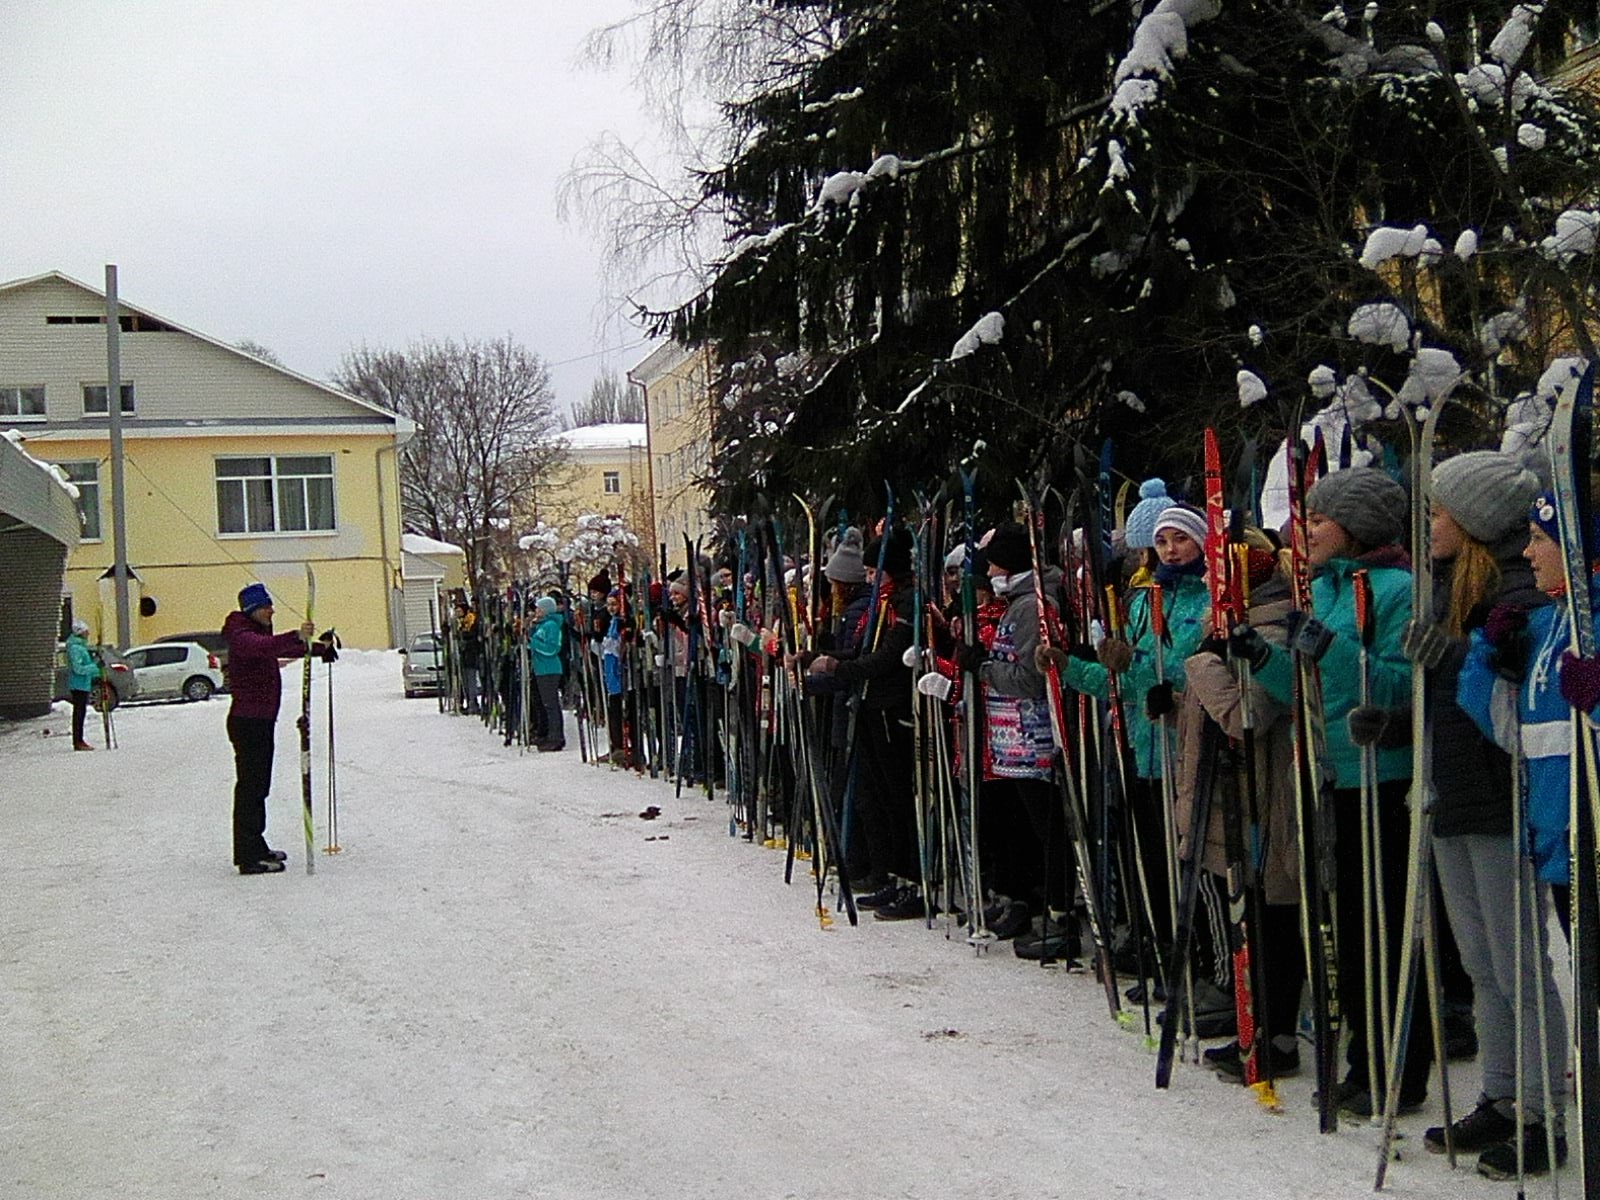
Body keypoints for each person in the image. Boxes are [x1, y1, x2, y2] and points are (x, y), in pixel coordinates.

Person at [1232, 465, 1428, 1116]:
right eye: (1304, 518)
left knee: (1385, 926)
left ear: (1356, 528)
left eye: (1318, 520)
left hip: (1383, 777)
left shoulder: (1399, 589)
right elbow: (1309, 688)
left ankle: (1398, 1066)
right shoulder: (1321, 591)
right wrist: (1262, 659)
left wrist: (1330, 646)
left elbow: (1402, 689)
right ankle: (1362, 1061)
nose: (1302, 531)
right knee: (1347, 928)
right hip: (1329, 772)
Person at [1453, 489, 1574, 1178]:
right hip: (1556, 836)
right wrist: (1487, 661)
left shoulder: (1587, 622)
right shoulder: (1551, 622)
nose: (1528, 553)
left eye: (1540, 538)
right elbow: (1511, 731)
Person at [222, 581, 336, 876]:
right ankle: (248, 856)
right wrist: (295, 635)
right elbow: (262, 648)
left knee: (259, 787)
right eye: (266, 607)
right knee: (251, 788)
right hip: (249, 723)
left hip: (260, 721)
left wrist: (319, 648)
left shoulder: (257, 633)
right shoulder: (241, 634)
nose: (272, 611)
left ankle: (256, 845)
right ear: (252, 609)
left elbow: (277, 649)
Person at [530, 596, 567, 751]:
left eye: (538, 609)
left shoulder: (551, 625)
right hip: (540, 668)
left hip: (549, 669)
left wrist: (532, 641)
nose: (536, 612)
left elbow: (551, 648)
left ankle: (556, 737)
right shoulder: (541, 625)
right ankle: (545, 733)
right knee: (543, 703)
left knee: (550, 704)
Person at [65, 617, 99, 751]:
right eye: (86, 631)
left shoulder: (81, 647)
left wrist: (96, 666)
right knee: (79, 713)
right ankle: (78, 741)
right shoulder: (75, 648)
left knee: (81, 712)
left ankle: (80, 739)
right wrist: (93, 667)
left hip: (83, 684)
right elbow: (78, 668)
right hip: (78, 684)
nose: (88, 634)